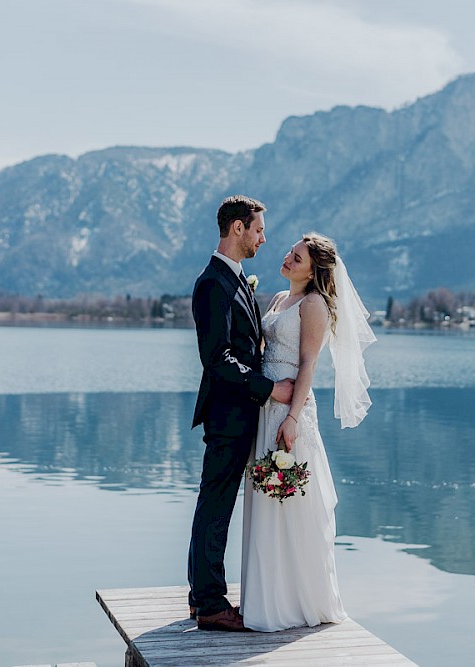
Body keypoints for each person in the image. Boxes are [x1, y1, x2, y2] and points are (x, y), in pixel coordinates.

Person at [240, 232, 376, 632]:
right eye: (290, 253)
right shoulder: (281, 300)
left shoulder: (314, 305)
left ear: (315, 270)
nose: (287, 258)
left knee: (290, 502)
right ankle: (265, 597)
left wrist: (292, 418)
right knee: (266, 500)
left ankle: (297, 602)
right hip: (267, 409)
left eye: (297, 258)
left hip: (290, 412)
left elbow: (308, 365)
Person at [189, 195, 295, 632]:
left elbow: (248, 348)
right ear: (237, 228)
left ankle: (201, 595)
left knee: (214, 504)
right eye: (258, 229)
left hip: (240, 413)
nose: (263, 238)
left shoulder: (234, 280)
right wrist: (270, 388)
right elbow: (217, 358)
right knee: (215, 505)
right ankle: (212, 603)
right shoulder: (212, 283)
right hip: (227, 415)